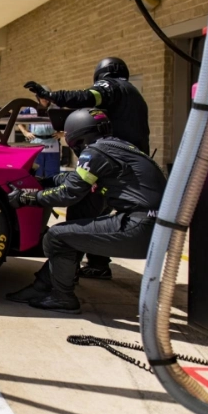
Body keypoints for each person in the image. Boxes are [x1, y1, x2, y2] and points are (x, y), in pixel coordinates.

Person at [5, 108, 166, 314]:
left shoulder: (95, 152)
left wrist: (27, 197)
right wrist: (41, 182)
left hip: (140, 228)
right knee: (79, 221)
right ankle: (43, 285)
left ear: (76, 136)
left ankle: (63, 298)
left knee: (57, 236)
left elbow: (68, 193)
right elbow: (72, 180)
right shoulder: (117, 147)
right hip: (155, 229)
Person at [24, 57, 150, 279]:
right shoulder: (133, 96)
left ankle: (63, 278)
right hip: (126, 170)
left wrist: (51, 96)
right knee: (99, 214)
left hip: (110, 165)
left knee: (78, 215)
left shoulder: (113, 86)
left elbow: (86, 97)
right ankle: (99, 265)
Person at [16, 87, 61, 179]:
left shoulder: (56, 108)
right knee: (36, 174)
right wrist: (25, 132)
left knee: (53, 175)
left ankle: (52, 192)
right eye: (42, 97)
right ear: (38, 97)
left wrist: (62, 133)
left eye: (46, 97)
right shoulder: (31, 109)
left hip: (52, 146)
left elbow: (67, 121)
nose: (44, 99)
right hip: (36, 144)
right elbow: (17, 120)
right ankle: (37, 193)